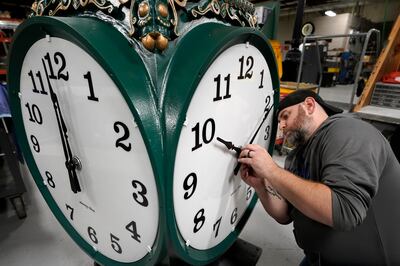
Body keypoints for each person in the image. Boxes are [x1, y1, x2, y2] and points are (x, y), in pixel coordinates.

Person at [238, 89, 400, 266]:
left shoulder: (347, 131)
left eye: (285, 116)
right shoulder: (295, 158)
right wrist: (261, 185)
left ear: (309, 105)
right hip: (316, 258)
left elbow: (344, 210)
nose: (282, 126)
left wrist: (271, 170)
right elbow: (285, 214)